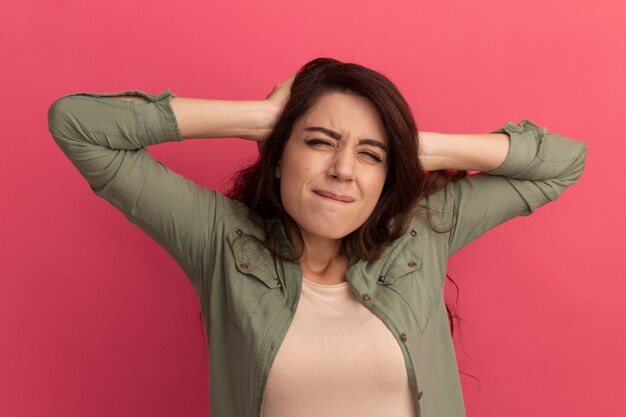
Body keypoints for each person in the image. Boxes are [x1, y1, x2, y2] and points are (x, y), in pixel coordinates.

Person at [47, 57, 587, 417]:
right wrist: (260, 117)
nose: (343, 170)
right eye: (320, 142)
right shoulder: (219, 238)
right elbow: (76, 123)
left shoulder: (419, 233)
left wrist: (422, 149)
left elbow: (564, 162)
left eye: (370, 155)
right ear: (278, 157)